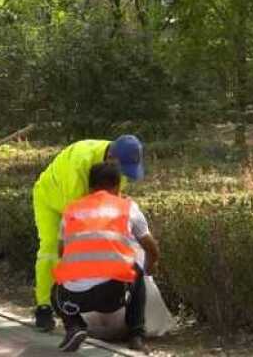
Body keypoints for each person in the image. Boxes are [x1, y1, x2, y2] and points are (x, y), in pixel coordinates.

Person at [33, 135, 146, 332]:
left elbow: (113, 203)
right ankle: (44, 307)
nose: (123, 176)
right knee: (51, 249)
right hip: (51, 199)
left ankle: (78, 303)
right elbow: (78, 220)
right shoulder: (80, 163)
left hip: (79, 205)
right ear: (111, 158)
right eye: (122, 171)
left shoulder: (118, 161)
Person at [51, 162, 159, 352]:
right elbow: (151, 247)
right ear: (117, 187)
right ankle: (136, 335)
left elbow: (62, 252)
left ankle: (74, 326)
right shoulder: (128, 207)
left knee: (55, 288)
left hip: (73, 299)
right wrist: (150, 268)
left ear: (90, 187)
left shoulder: (71, 210)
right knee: (136, 269)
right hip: (112, 295)